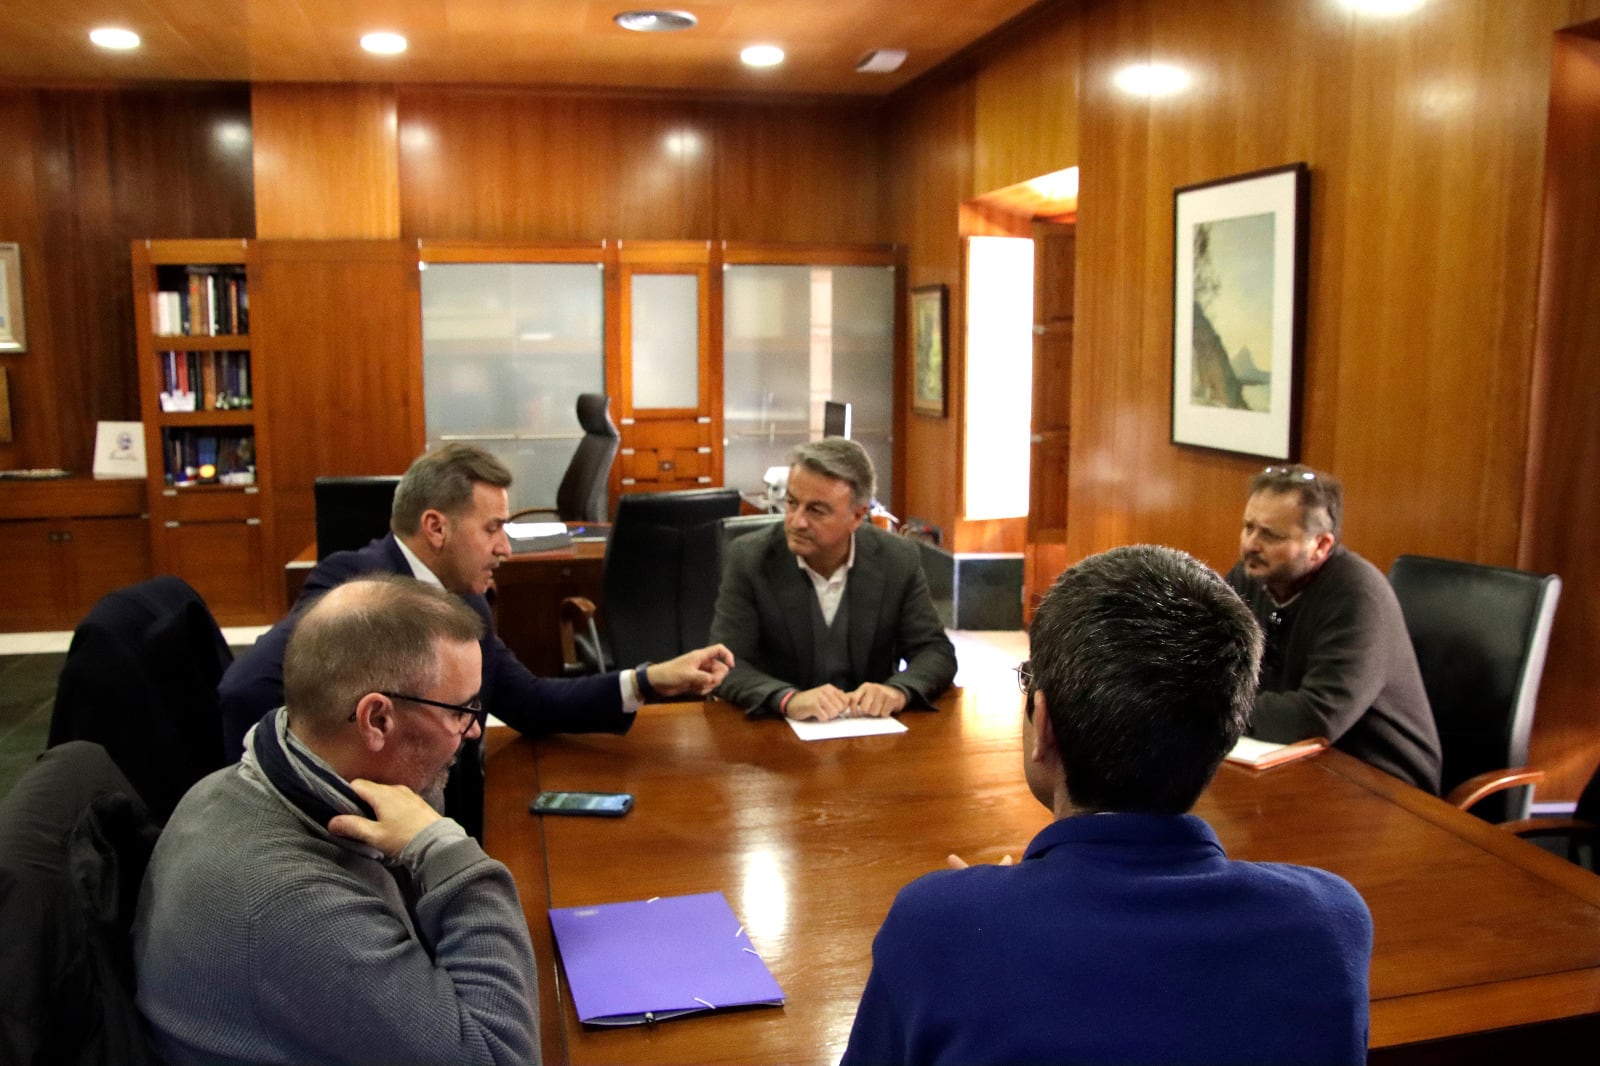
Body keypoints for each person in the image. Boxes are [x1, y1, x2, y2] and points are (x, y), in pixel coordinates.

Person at [841, 546, 1373, 1066]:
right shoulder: (1330, 921)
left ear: (1042, 724)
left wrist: (984, 910)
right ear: (1226, 732)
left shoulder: (936, 925)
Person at [220, 443, 733, 837]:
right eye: (493, 528)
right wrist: (325, 804)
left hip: (461, 815)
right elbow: (245, 690)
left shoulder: (465, 600)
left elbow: (527, 701)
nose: (505, 547)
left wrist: (646, 680)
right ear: (436, 527)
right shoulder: (356, 587)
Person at [135, 576, 539, 1065]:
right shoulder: (292, 905)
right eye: (461, 709)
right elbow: (501, 1056)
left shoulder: (226, 786)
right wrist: (445, 849)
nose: (474, 729)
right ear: (377, 720)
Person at [1226, 463, 1441, 792]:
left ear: (1321, 546)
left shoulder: (1357, 596)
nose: (1251, 545)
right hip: (1287, 766)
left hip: (1379, 783)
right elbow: (1212, 668)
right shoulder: (1249, 577)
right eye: (1248, 527)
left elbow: (1317, 716)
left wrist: (1215, 707)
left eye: (1270, 535)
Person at [708, 438, 956, 720]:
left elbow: (935, 651)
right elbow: (726, 664)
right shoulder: (750, 558)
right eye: (791, 503)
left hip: (869, 735)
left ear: (857, 516)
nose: (796, 521)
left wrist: (898, 691)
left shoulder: (896, 559)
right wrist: (788, 699)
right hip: (776, 733)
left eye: (815, 510)